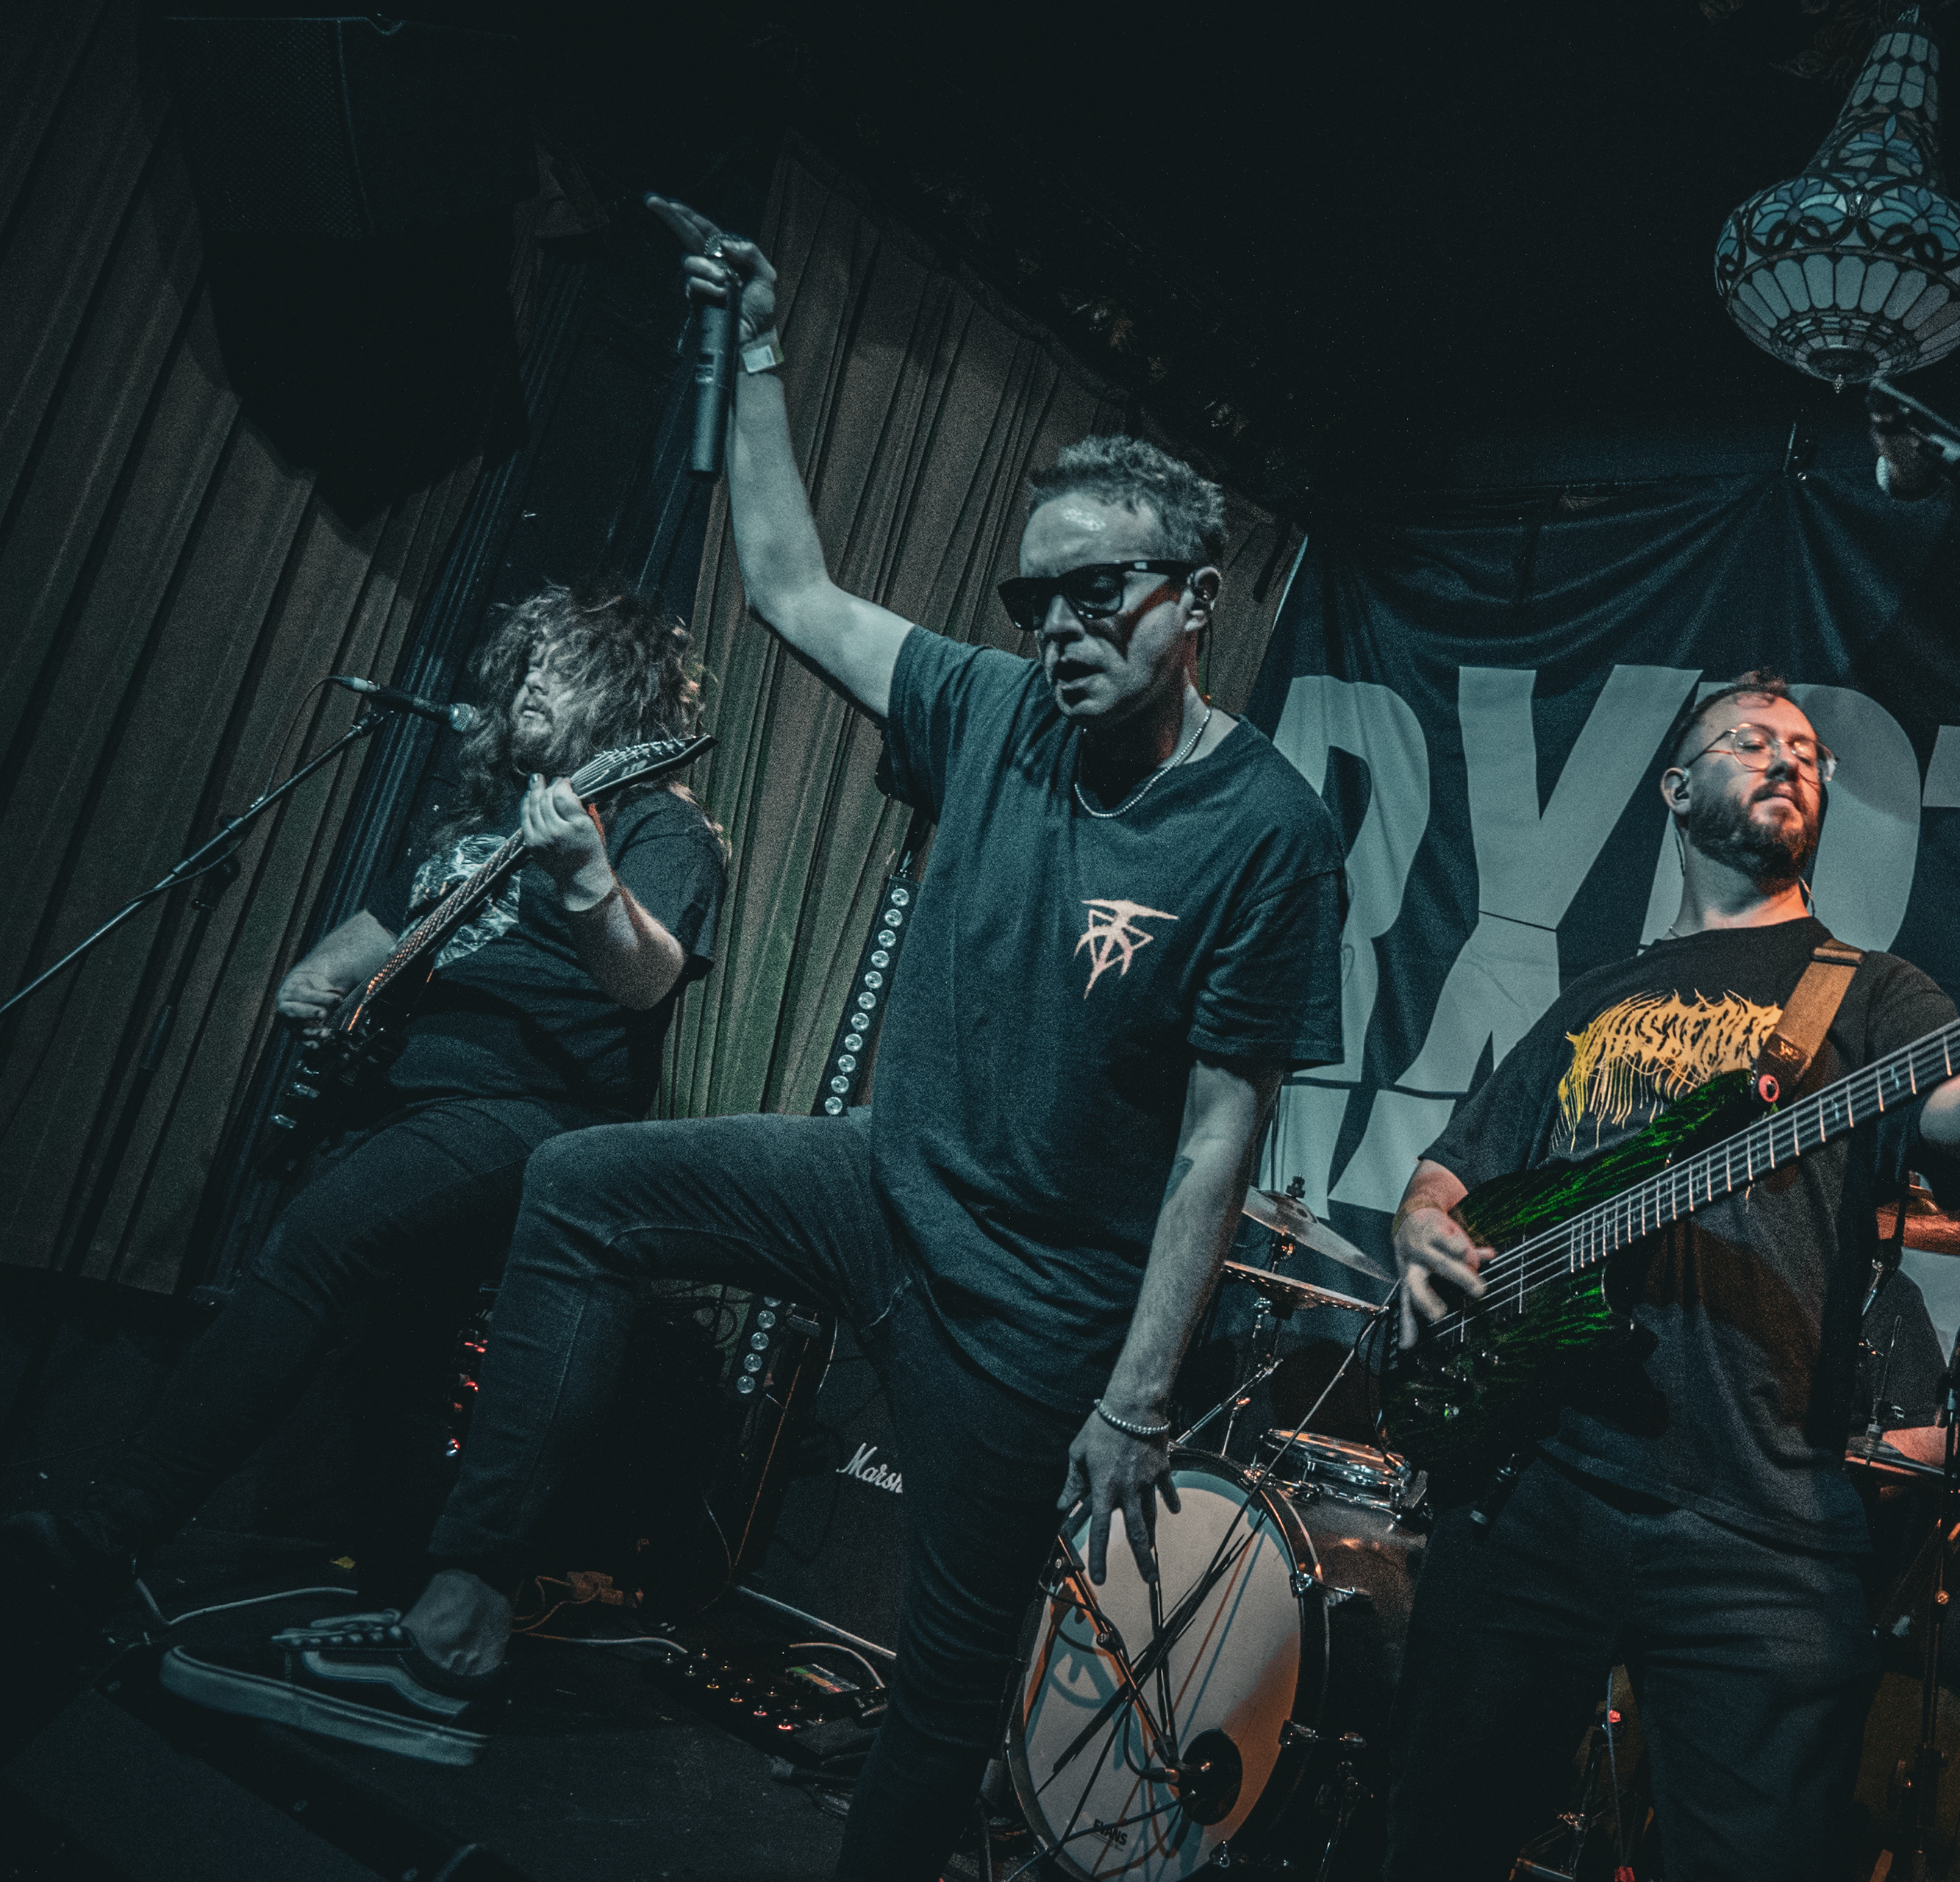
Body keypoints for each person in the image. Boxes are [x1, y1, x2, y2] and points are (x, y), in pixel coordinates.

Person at [147, 198, 1347, 1882]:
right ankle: (467, 1595)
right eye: (1037, 597)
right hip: (879, 1179)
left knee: (945, 1685)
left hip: (1033, 1297)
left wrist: (1140, 1397)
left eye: (1100, 593)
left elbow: (1223, 1128)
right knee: (580, 1185)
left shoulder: (1268, 832)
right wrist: (765, 351)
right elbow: (789, 585)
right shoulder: (989, 705)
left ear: (1199, 596)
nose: (1061, 628)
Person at [1382, 670, 1960, 1881]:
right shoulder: (1598, 995)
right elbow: (1456, 1166)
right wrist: (1422, 1227)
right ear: (1677, 789)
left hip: (1757, 1521)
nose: (1789, 760)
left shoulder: (1867, 994)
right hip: (1535, 1478)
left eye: (1809, 753)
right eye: (1754, 741)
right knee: (1434, 1840)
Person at [1, 584, 726, 1613]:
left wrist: (583, 877)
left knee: (316, 1245)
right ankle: (397, 1591)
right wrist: (322, 990)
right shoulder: (486, 830)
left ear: (621, 690)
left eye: (560, 670)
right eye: (526, 666)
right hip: (403, 1101)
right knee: (399, 1356)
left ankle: (112, 1526)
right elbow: (358, 947)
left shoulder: (659, 825)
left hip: (527, 1108)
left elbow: (645, 980)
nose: (530, 685)